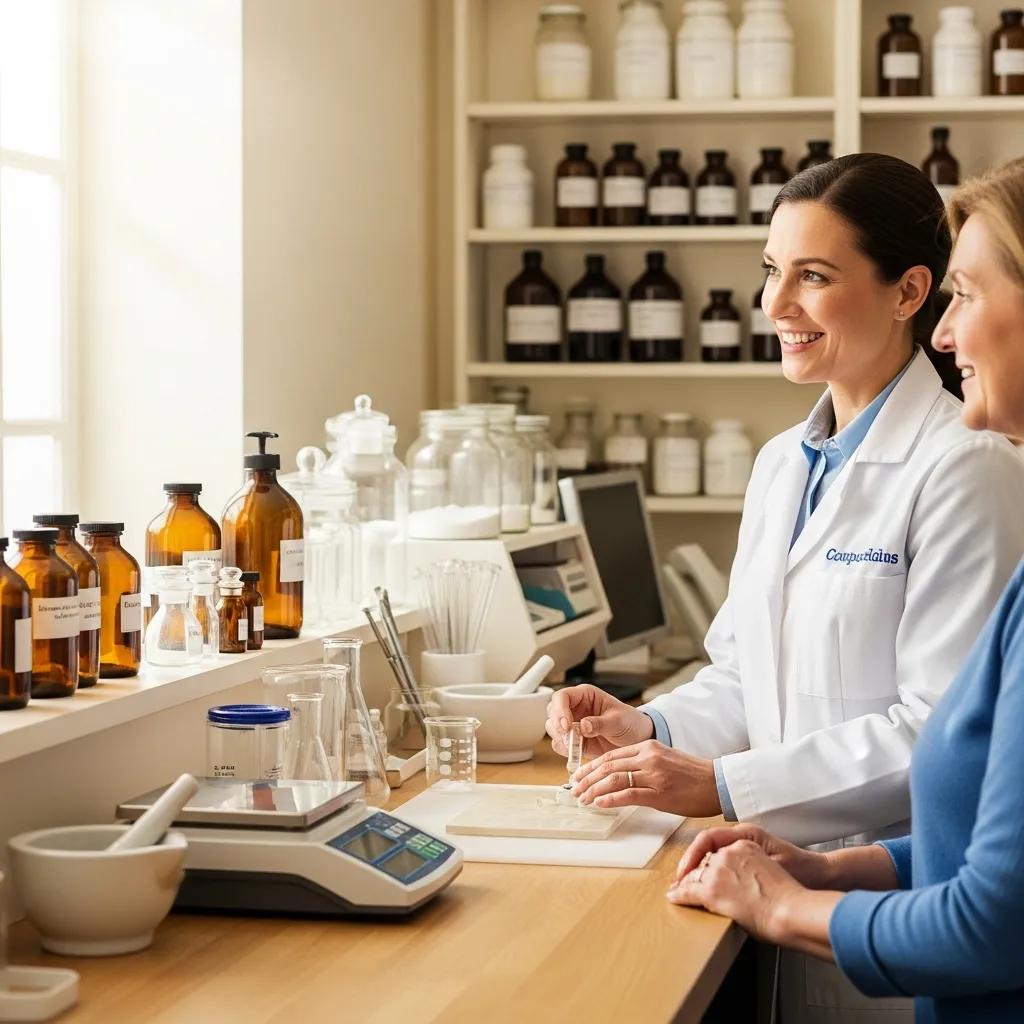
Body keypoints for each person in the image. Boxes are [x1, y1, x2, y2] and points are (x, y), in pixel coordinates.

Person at [546, 154, 1024, 1023]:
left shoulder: (966, 464)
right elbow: (743, 672)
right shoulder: (781, 464)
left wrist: (722, 785)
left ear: (911, 292)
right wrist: (646, 728)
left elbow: (943, 729)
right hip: (781, 881)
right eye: (773, 271)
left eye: (814, 276)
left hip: (895, 916)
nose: (777, 306)